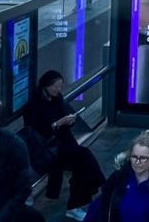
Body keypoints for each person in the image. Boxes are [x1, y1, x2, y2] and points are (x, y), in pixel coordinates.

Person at [24, 71, 104, 220]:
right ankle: (96, 185)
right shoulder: (35, 104)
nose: (58, 90)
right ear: (45, 86)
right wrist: (57, 123)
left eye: (60, 87)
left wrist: (69, 120)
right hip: (49, 149)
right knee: (84, 158)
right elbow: (39, 130)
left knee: (83, 161)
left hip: (63, 143)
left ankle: (81, 198)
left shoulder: (56, 99)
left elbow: (63, 121)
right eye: (55, 87)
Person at [84, 129, 149, 222]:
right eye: (134, 157)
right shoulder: (119, 177)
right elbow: (102, 206)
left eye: (143, 158)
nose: (137, 162)